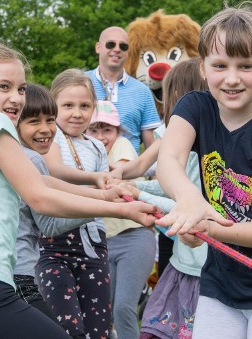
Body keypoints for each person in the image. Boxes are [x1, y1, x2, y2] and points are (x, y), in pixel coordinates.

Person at [0, 43, 156, 339]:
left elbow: (41, 180)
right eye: (4, 87)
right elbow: (39, 196)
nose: (16, 98)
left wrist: (102, 193)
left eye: (21, 89)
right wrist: (121, 210)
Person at [155, 4, 252, 338]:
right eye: (219, 65)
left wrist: (210, 228)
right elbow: (168, 161)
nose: (231, 78)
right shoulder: (194, 108)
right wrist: (189, 201)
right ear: (202, 67)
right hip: (221, 285)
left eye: (246, 66)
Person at [111, 59, 210, 339]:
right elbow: (151, 174)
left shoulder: (203, 150)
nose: (164, 103)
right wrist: (125, 180)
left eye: (168, 96)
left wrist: (138, 193)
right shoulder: (172, 135)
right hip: (182, 262)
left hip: (199, 268)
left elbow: (187, 207)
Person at [16, 84, 131, 322]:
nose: (46, 129)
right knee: (61, 328)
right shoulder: (28, 158)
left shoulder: (34, 159)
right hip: (20, 272)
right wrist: (115, 207)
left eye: (50, 120)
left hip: (84, 245)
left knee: (96, 325)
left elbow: (50, 186)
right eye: (34, 121)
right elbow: (48, 216)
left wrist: (107, 197)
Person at [38, 69, 115, 339]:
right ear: (53, 106)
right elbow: (55, 171)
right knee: (68, 327)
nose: (77, 113)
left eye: (84, 106)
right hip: (55, 242)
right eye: (68, 105)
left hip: (93, 244)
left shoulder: (96, 146)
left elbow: (106, 184)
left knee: (100, 328)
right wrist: (95, 178)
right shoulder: (50, 137)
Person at [87, 100, 155, 339]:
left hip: (134, 236)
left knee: (124, 307)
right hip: (103, 242)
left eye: (107, 130)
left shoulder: (122, 145)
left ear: (118, 131)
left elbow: (120, 172)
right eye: (94, 129)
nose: (101, 136)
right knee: (104, 313)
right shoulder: (84, 153)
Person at [86, 26, 161, 154]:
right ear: (98, 47)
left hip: (129, 169)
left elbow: (151, 143)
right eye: (110, 44)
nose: (116, 49)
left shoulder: (142, 91)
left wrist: (155, 173)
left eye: (123, 46)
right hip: (85, 167)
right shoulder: (80, 83)